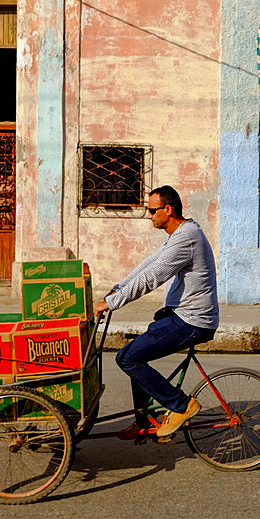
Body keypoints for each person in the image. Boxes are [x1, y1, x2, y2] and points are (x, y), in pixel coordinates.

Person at [93, 185, 219, 439]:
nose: (149, 216)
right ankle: (144, 421)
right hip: (180, 314)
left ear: (167, 209)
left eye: (152, 210)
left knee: (127, 358)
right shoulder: (179, 234)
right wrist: (117, 289)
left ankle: (182, 405)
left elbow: (153, 277)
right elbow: (149, 263)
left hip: (193, 320)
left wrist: (113, 302)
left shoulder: (187, 237)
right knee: (133, 350)